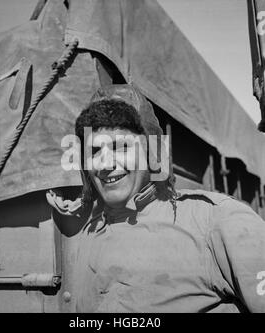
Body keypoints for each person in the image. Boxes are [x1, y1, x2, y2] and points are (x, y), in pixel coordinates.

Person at [47, 84, 265, 313]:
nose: (105, 164)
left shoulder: (218, 220)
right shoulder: (91, 233)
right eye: (94, 151)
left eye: (120, 147)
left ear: (152, 151)